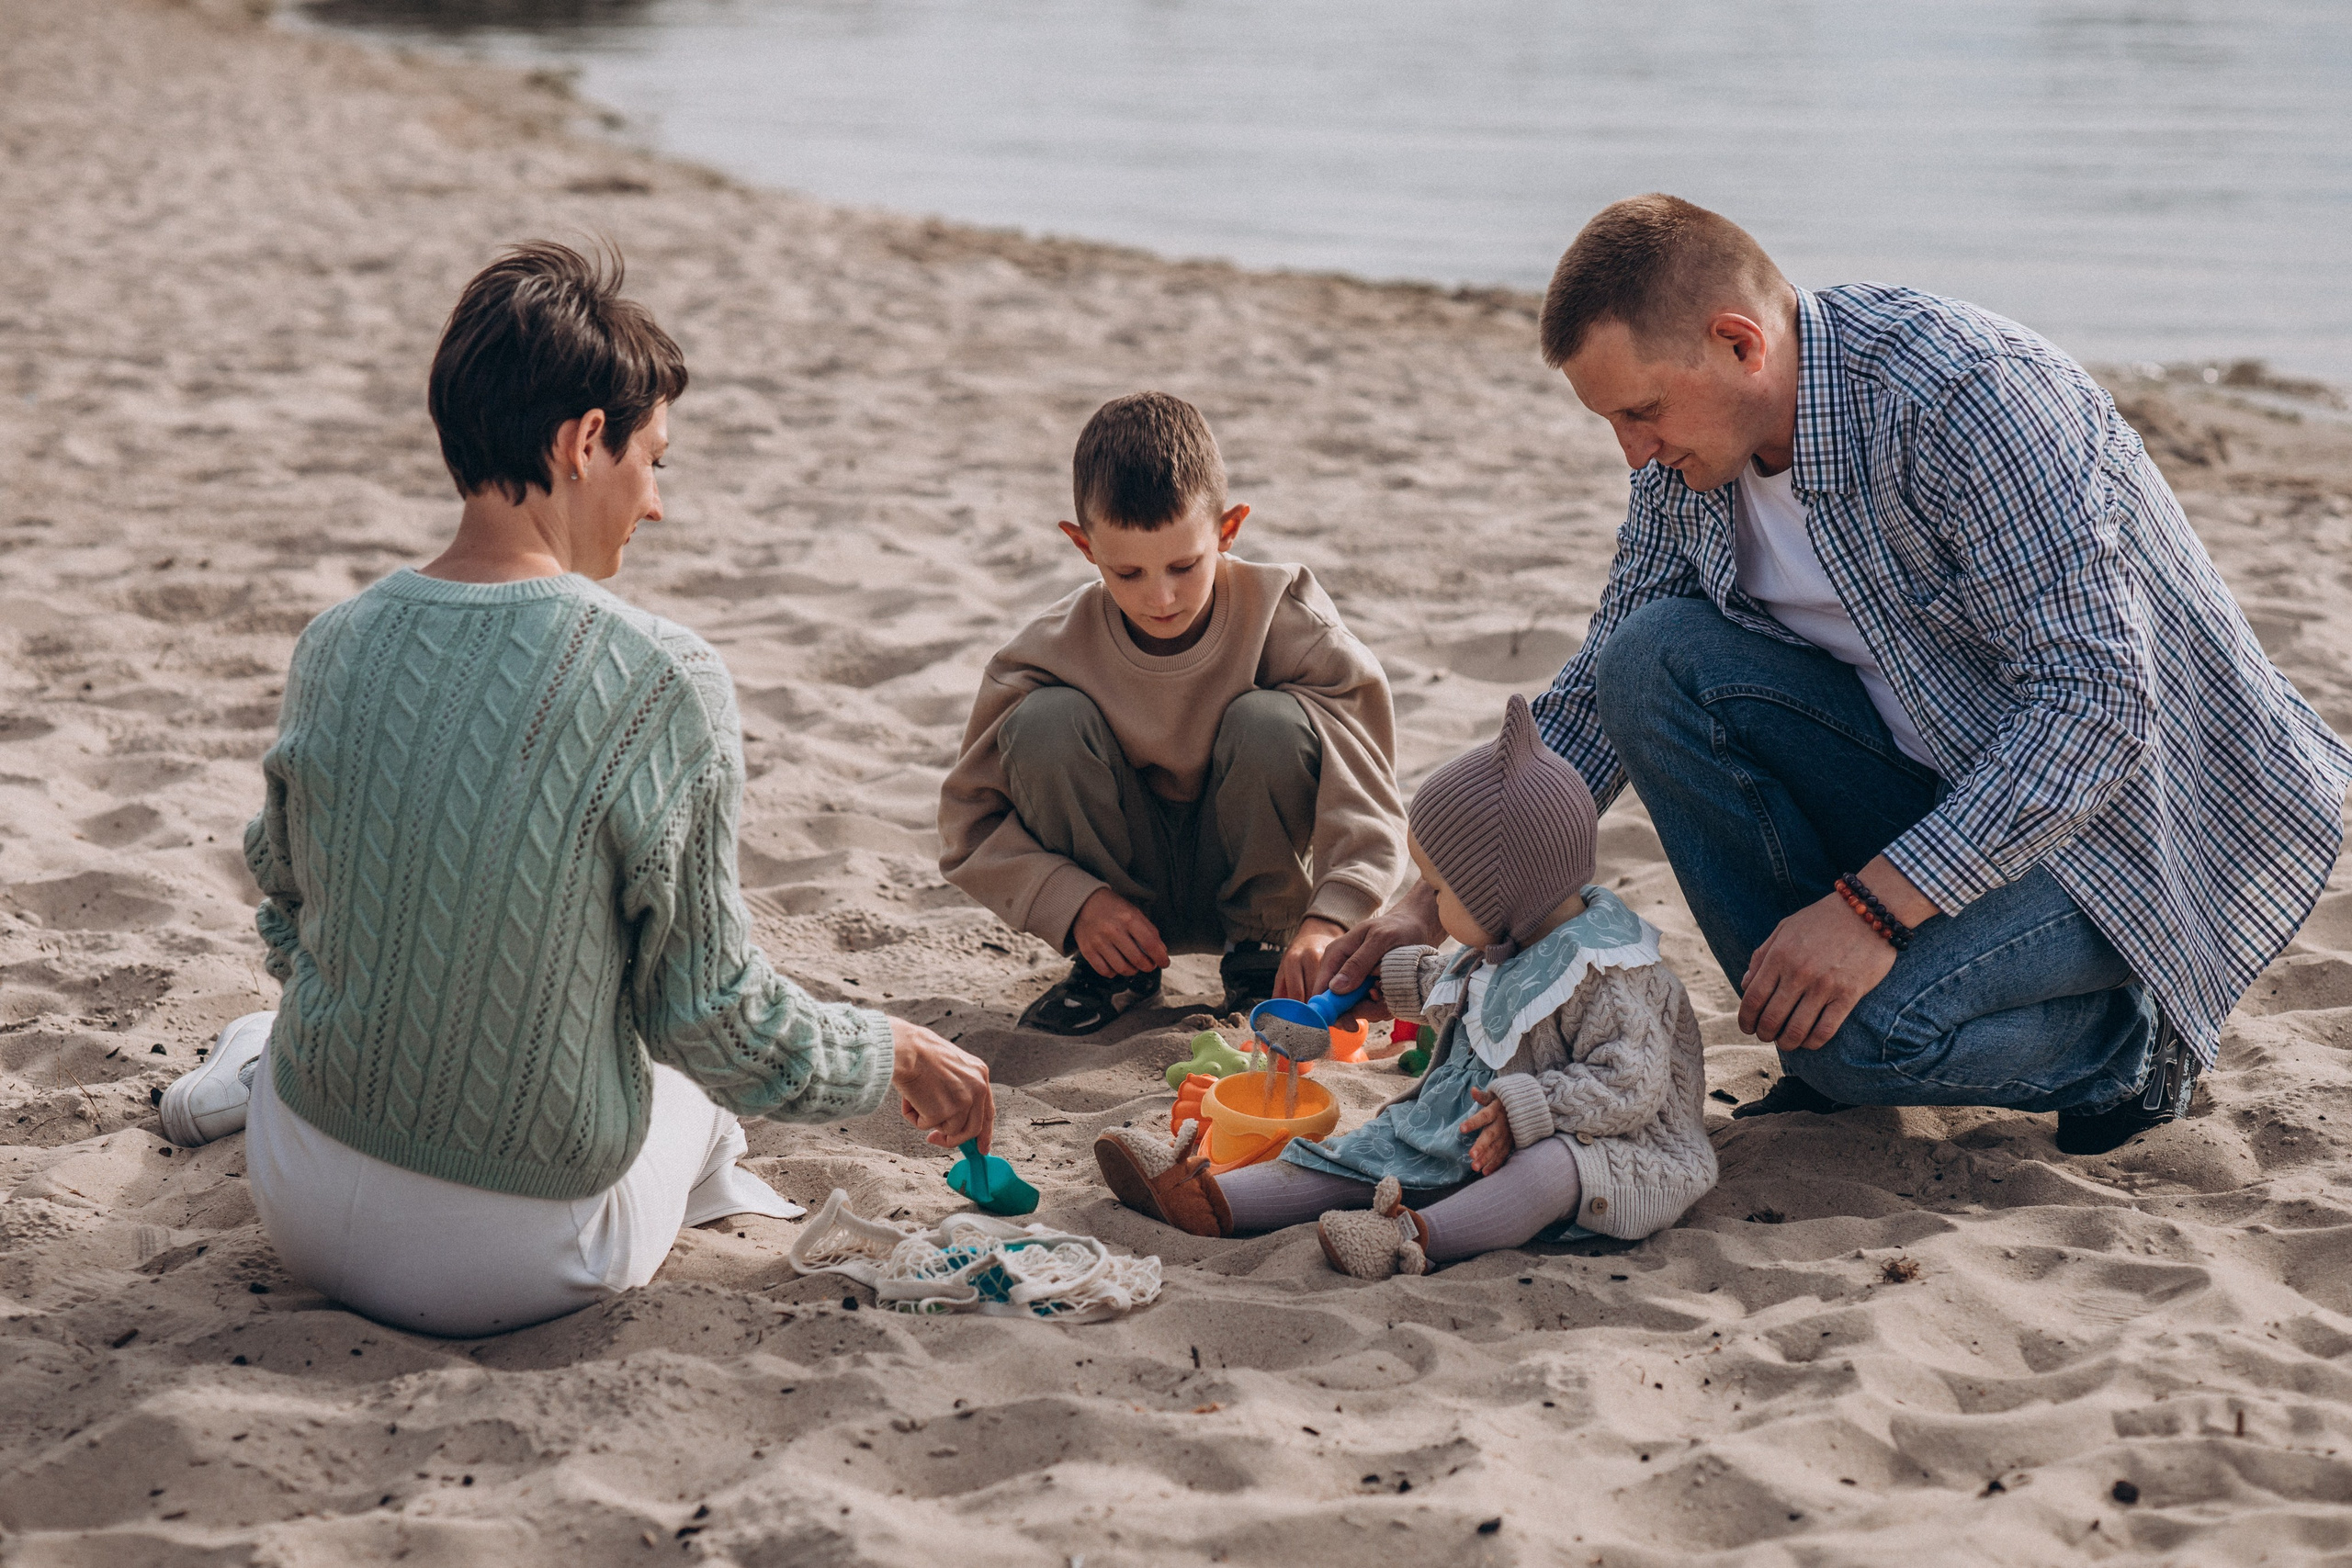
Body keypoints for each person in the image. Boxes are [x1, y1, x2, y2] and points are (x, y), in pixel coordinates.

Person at [1322, 195, 2352, 1157]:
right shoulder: (1694, 462)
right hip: (1936, 788)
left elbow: (2097, 707)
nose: (1632, 455)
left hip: (2132, 832)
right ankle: (1820, 1021)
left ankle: (2130, 1045)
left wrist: (1869, 913)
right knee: (1649, 661)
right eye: (1612, 424)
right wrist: (1433, 898)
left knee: (1864, 1048)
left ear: (1739, 342)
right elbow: (1597, 689)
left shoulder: (1961, 403)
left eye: (1641, 412)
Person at [158, 241, 993, 1337]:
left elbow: (289, 906)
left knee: (354, 983)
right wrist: (889, 1049)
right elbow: (717, 1017)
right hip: (518, 1260)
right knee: (681, 1090)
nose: (655, 503)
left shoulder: (336, 641)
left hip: (301, 1192)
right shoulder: (662, 679)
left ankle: (254, 1059)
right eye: (653, 460)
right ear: (583, 442)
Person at [1093, 695, 1714, 1277]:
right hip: (1484, 1123)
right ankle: (1210, 1196)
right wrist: (1392, 986)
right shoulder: (1519, 933)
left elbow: (1629, 1082)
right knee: (1370, 1148)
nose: (1431, 901)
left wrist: (1531, 1107)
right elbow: (1478, 997)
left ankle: (1414, 1237)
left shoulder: (1610, 974)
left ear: (1500, 893)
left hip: (1608, 1142)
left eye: (1438, 890)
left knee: (1548, 1172)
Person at [938, 391, 1406, 1034]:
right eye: (1126, 572)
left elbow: (1368, 797)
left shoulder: (1289, 621)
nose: (1160, 597)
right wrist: (1072, 902)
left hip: (1257, 885)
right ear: (1083, 547)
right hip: (1117, 902)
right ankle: (1115, 974)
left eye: (1185, 565)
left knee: (1268, 721)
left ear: (1228, 529)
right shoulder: (1044, 653)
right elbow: (968, 822)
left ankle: (1259, 965)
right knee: (1044, 723)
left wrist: (1331, 919)